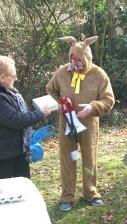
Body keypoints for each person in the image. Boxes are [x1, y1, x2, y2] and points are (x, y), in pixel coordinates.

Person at [46, 36, 115, 212]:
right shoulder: (62, 72)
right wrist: (59, 103)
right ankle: (67, 195)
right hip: (66, 123)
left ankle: (90, 192)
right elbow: (50, 89)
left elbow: (108, 99)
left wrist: (93, 107)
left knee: (89, 158)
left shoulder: (99, 75)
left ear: (87, 59)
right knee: (68, 158)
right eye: (73, 62)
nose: (76, 67)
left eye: (80, 63)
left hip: (88, 124)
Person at [0, 56, 51, 180]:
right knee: (4, 192)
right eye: (13, 76)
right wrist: (40, 114)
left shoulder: (8, 92)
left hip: (17, 150)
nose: (16, 79)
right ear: (2, 77)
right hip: (0, 155)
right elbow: (16, 120)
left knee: (23, 187)